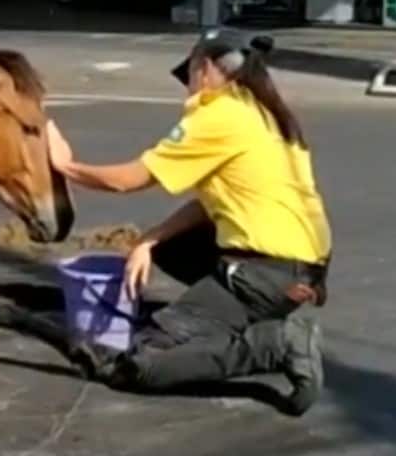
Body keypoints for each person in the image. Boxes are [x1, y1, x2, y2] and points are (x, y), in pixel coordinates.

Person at [45, 27, 332, 416]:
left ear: (208, 68)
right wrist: (149, 240)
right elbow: (211, 204)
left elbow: (130, 179)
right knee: (169, 246)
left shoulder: (219, 115)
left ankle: (273, 345)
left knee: (139, 363)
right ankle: (223, 316)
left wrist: (65, 166)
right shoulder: (264, 112)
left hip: (263, 273)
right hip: (302, 270)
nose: (188, 87)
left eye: (191, 74)